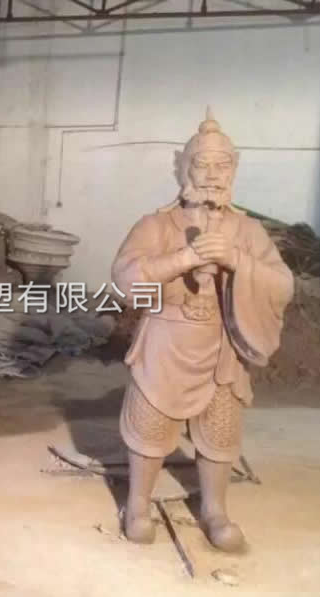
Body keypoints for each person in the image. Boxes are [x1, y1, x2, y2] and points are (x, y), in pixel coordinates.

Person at [111, 108, 293, 552]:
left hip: (221, 343)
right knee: (150, 425)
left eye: (222, 165)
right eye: (202, 164)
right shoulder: (156, 225)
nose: (212, 175)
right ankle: (137, 504)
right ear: (184, 169)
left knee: (220, 432)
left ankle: (215, 509)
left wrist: (236, 260)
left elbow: (282, 285)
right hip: (166, 342)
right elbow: (124, 280)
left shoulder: (247, 230)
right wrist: (184, 259)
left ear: (234, 169)